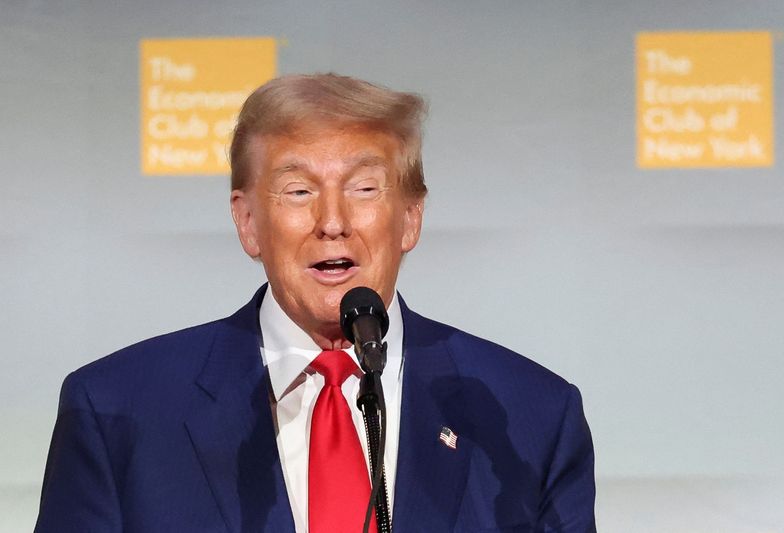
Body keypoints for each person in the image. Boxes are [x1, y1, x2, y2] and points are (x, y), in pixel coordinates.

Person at [35, 73, 595, 532]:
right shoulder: (116, 412)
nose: (333, 223)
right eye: (299, 191)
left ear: (410, 217)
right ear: (248, 222)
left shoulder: (531, 418)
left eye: (363, 188)